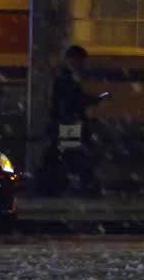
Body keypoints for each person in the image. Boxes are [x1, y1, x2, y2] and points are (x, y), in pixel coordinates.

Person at [42, 45, 107, 195]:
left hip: (68, 123)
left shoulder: (64, 77)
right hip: (69, 123)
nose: (82, 65)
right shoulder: (66, 78)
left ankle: (59, 185)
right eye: (80, 61)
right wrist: (95, 100)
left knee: (68, 154)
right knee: (74, 155)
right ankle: (81, 185)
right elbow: (73, 101)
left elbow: (68, 101)